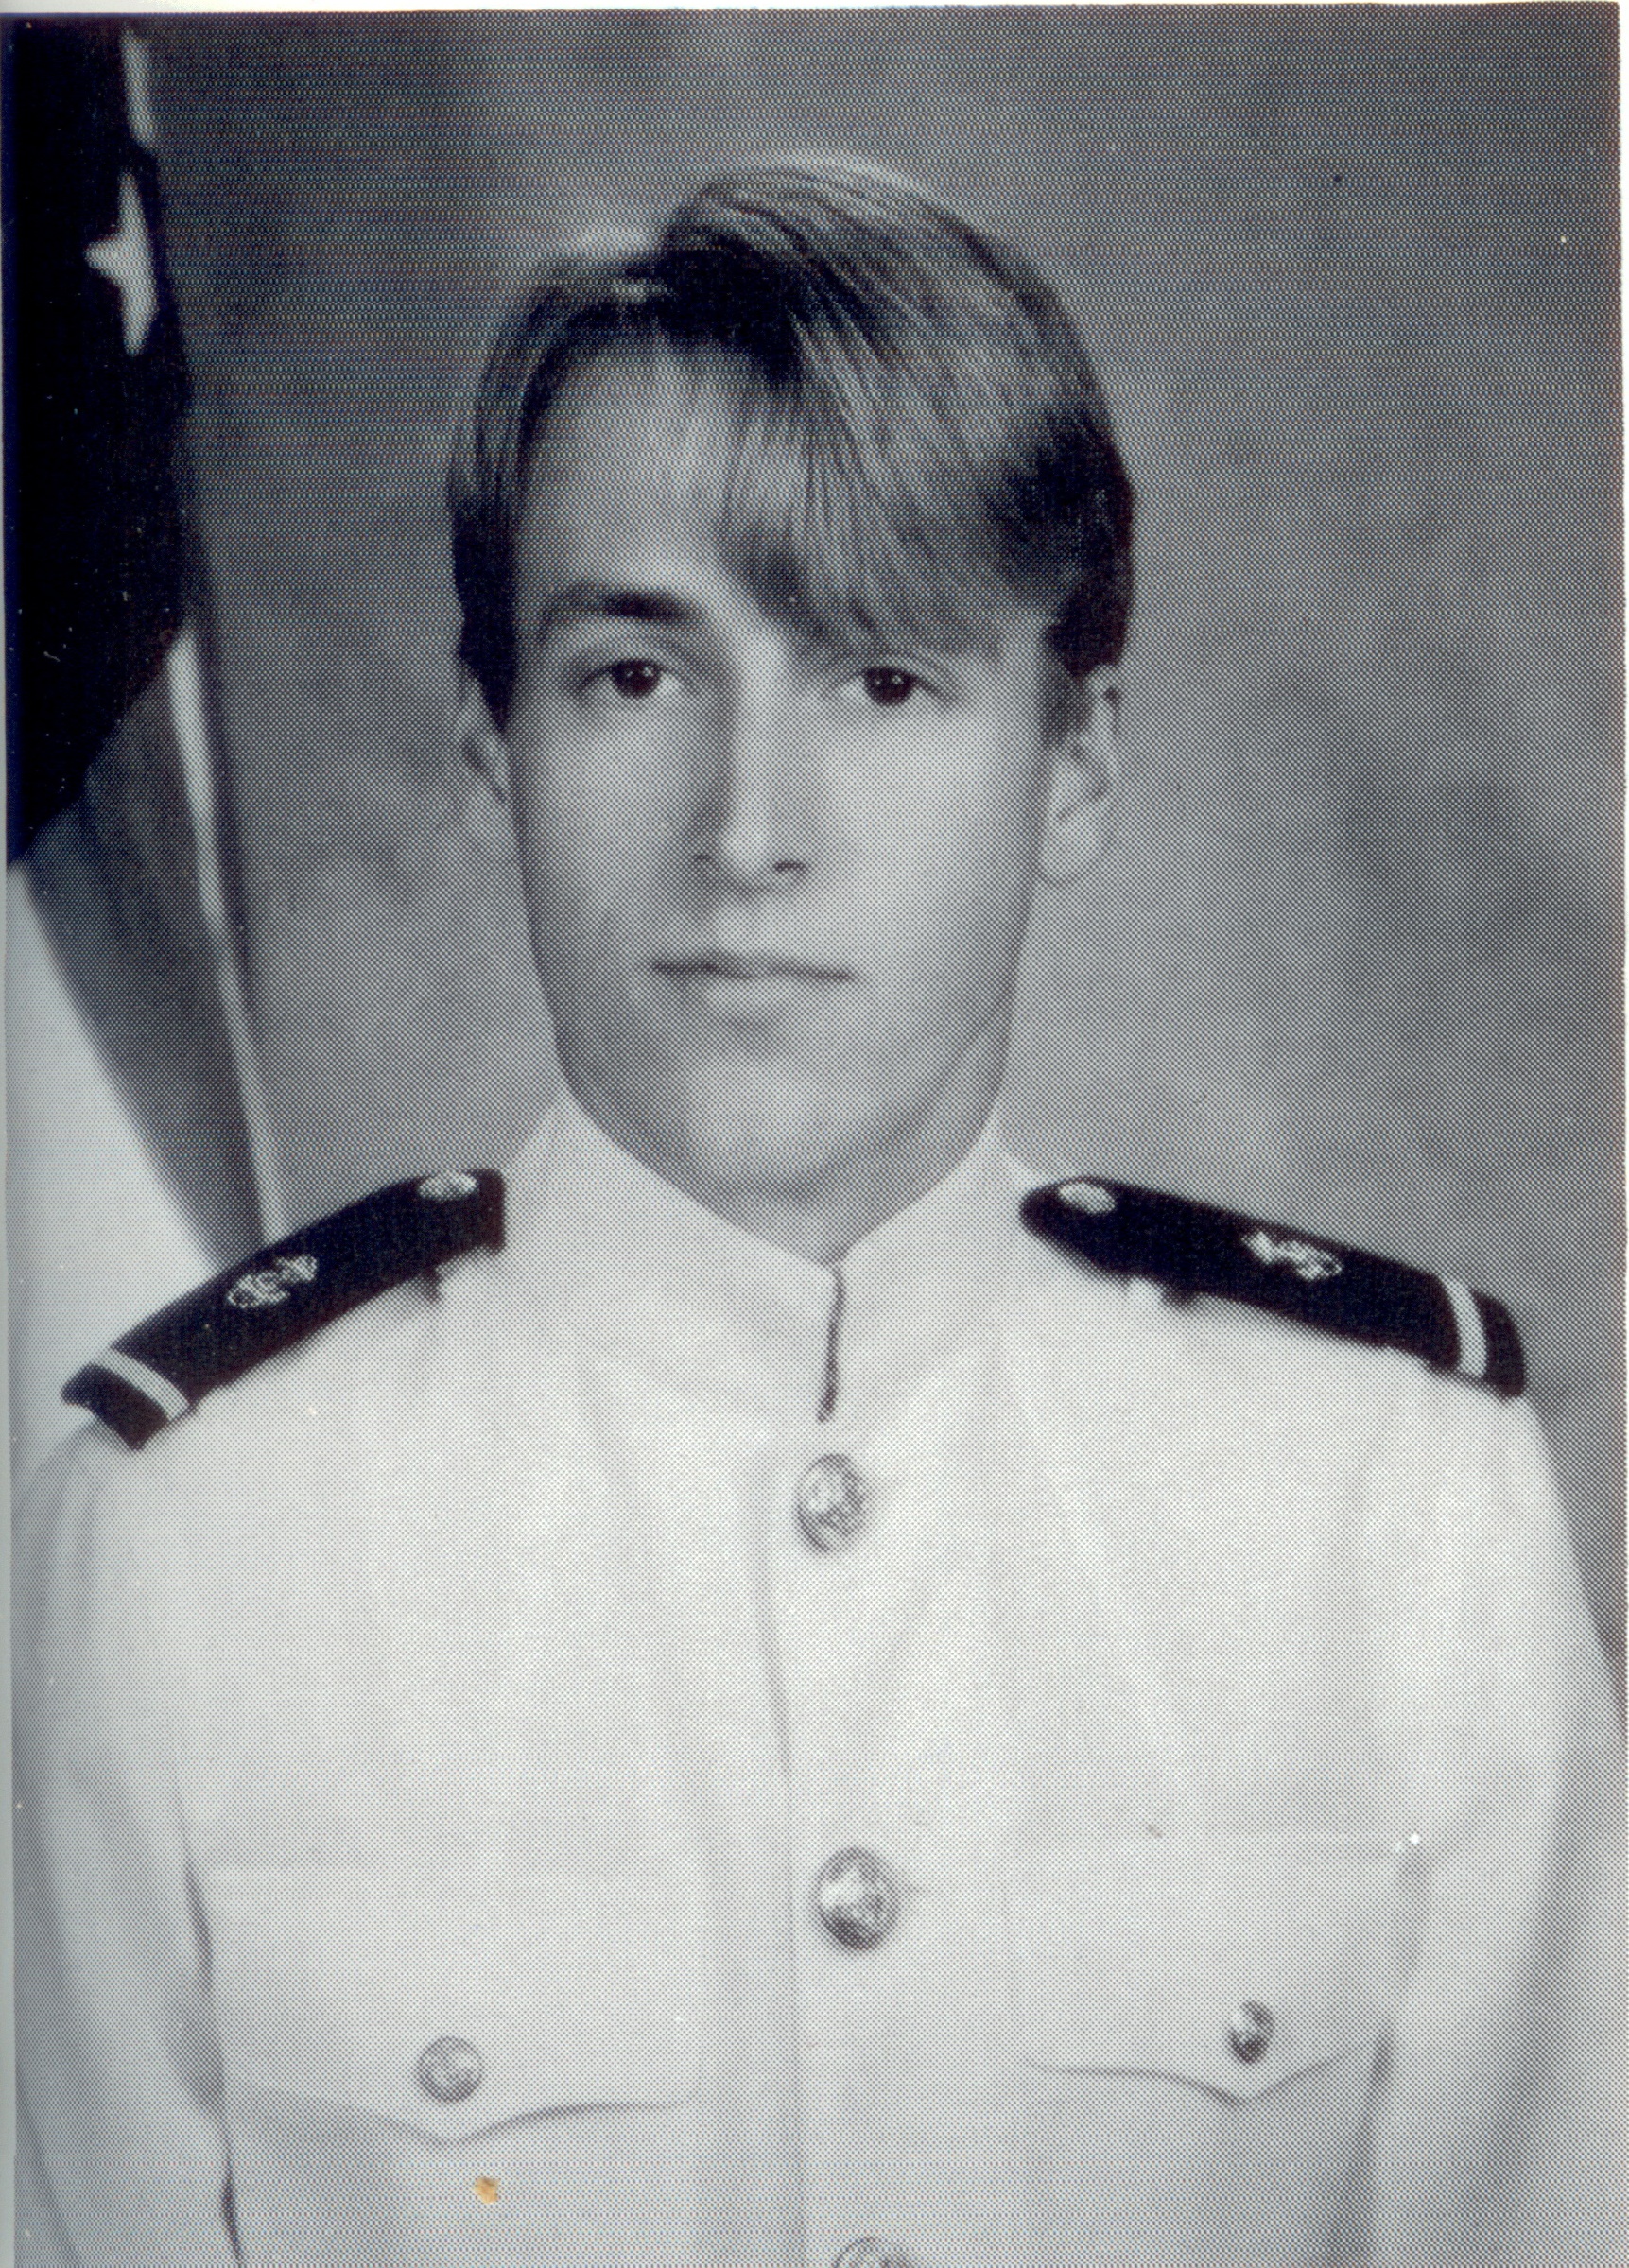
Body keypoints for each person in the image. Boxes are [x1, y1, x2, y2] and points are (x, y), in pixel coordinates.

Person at [14, 157, 1622, 2268]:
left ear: (1074, 762)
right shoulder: (181, 1548)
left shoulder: (1393, 1506)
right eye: (636, 676)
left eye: (879, 679)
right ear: (491, 748)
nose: (749, 832)